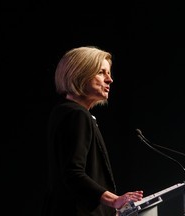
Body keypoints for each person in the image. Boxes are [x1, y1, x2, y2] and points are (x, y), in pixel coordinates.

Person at [44, 46, 143, 216]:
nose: (109, 80)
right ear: (80, 74)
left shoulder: (65, 112)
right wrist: (114, 201)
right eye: (101, 72)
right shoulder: (76, 114)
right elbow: (72, 173)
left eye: (109, 73)